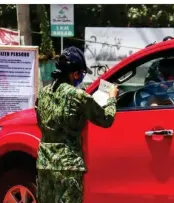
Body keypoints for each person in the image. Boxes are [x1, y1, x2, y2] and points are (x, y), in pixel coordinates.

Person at [35, 46, 119, 203]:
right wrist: (112, 98)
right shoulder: (78, 96)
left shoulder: (43, 93)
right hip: (69, 168)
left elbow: (39, 120)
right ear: (75, 73)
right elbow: (106, 119)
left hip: (44, 165)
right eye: (80, 73)